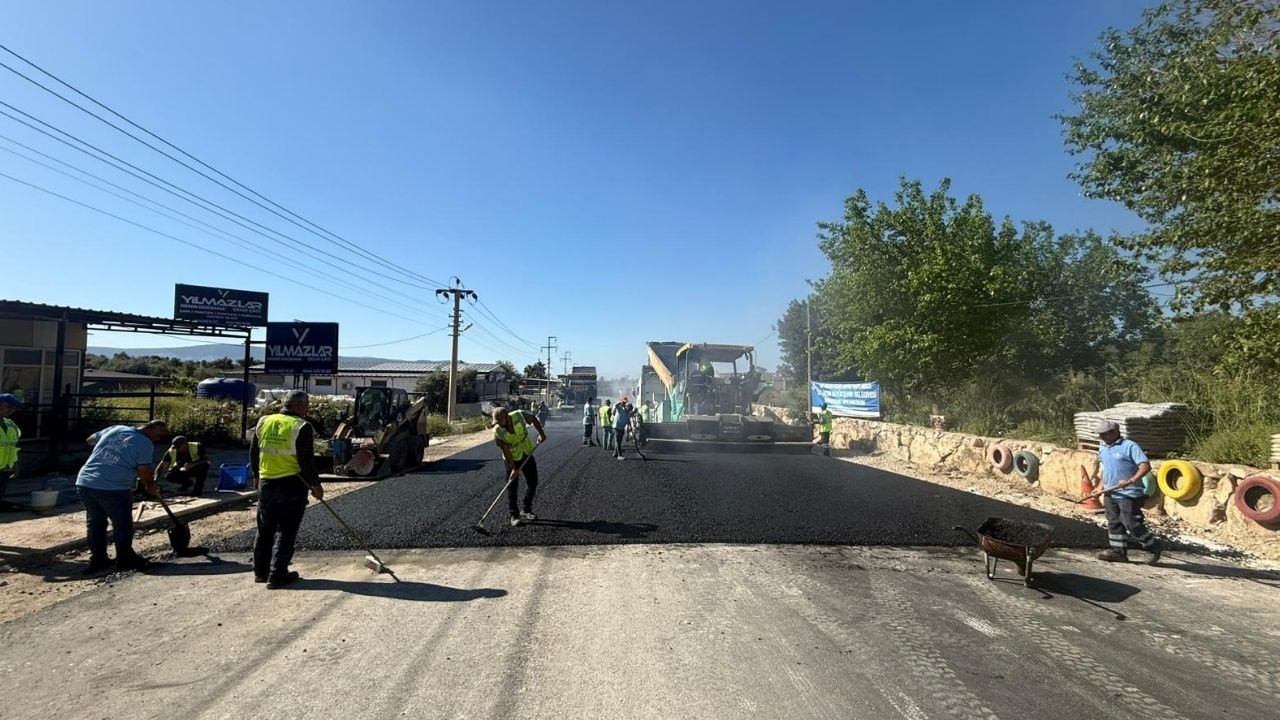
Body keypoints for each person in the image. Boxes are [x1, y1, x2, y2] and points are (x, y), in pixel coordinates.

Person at [250, 390, 323, 589]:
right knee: (286, 531)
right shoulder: (302, 426)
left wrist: (256, 475)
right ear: (298, 405)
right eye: (307, 404)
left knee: (265, 529)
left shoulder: (264, 421)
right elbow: (306, 460)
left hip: (267, 483)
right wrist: (316, 485)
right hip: (292, 484)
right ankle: (277, 575)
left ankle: (260, 572)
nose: (308, 408)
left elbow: (254, 452)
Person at [75, 420, 168, 574]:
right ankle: (125, 559)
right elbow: (144, 470)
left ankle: (98, 560)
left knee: (95, 523)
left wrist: (111, 447)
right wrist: (150, 486)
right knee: (122, 524)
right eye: (158, 435)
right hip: (112, 487)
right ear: (148, 428)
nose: (157, 439)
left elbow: (90, 440)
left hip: (85, 482)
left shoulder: (117, 428)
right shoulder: (145, 443)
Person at [1087, 420, 1161, 564]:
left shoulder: (1129, 446)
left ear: (1114, 432)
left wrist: (1131, 480)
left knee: (1131, 523)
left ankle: (1153, 546)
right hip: (1111, 493)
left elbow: (1145, 466)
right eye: (1100, 434)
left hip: (1130, 493)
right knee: (1114, 522)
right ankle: (1118, 552)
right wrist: (1100, 487)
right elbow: (1106, 469)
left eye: (1104, 434)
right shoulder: (1103, 448)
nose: (1101, 437)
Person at [491, 406, 547, 526]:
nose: (498, 424)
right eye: (496, 422)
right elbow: (506, 450)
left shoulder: (519, 415)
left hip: (526, 452)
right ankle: (514, 515)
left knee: (533, 482)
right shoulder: (498, 432)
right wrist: (513, 469)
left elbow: (534, 420)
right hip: (511, 459)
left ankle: (526, 509)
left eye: (500, 421)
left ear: (506, 417)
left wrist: (542, 434)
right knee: (512, 486)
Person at [0, 394, 22, 511]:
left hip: (5, 469)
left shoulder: (10, 424)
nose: (11, 410)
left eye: (13, 408)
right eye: (8, 406)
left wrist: (15, 464)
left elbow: (13, 446)